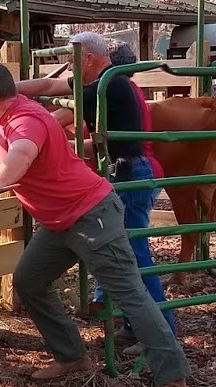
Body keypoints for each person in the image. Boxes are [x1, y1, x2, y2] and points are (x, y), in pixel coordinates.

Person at [0, 62, 192, 387]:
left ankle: (174, 380)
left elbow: (22, 153)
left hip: (92, 216)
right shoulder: (6, 115)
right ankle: (71, 356)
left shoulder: (25, 122)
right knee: (29, 281)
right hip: (60, 222)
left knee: (131, 294)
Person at [17, 32, 174, 330]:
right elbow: (51, 85)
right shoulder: (106, 83)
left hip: (129, 171)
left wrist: (13, 117)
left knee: (134, 254)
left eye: (72, 62)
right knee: (125, 251)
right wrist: (8, 91)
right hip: (127, 169)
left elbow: (56, 119)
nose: (69, 69)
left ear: (87, 59)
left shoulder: (106, 86)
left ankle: (160, 330)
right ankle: (134, 324)